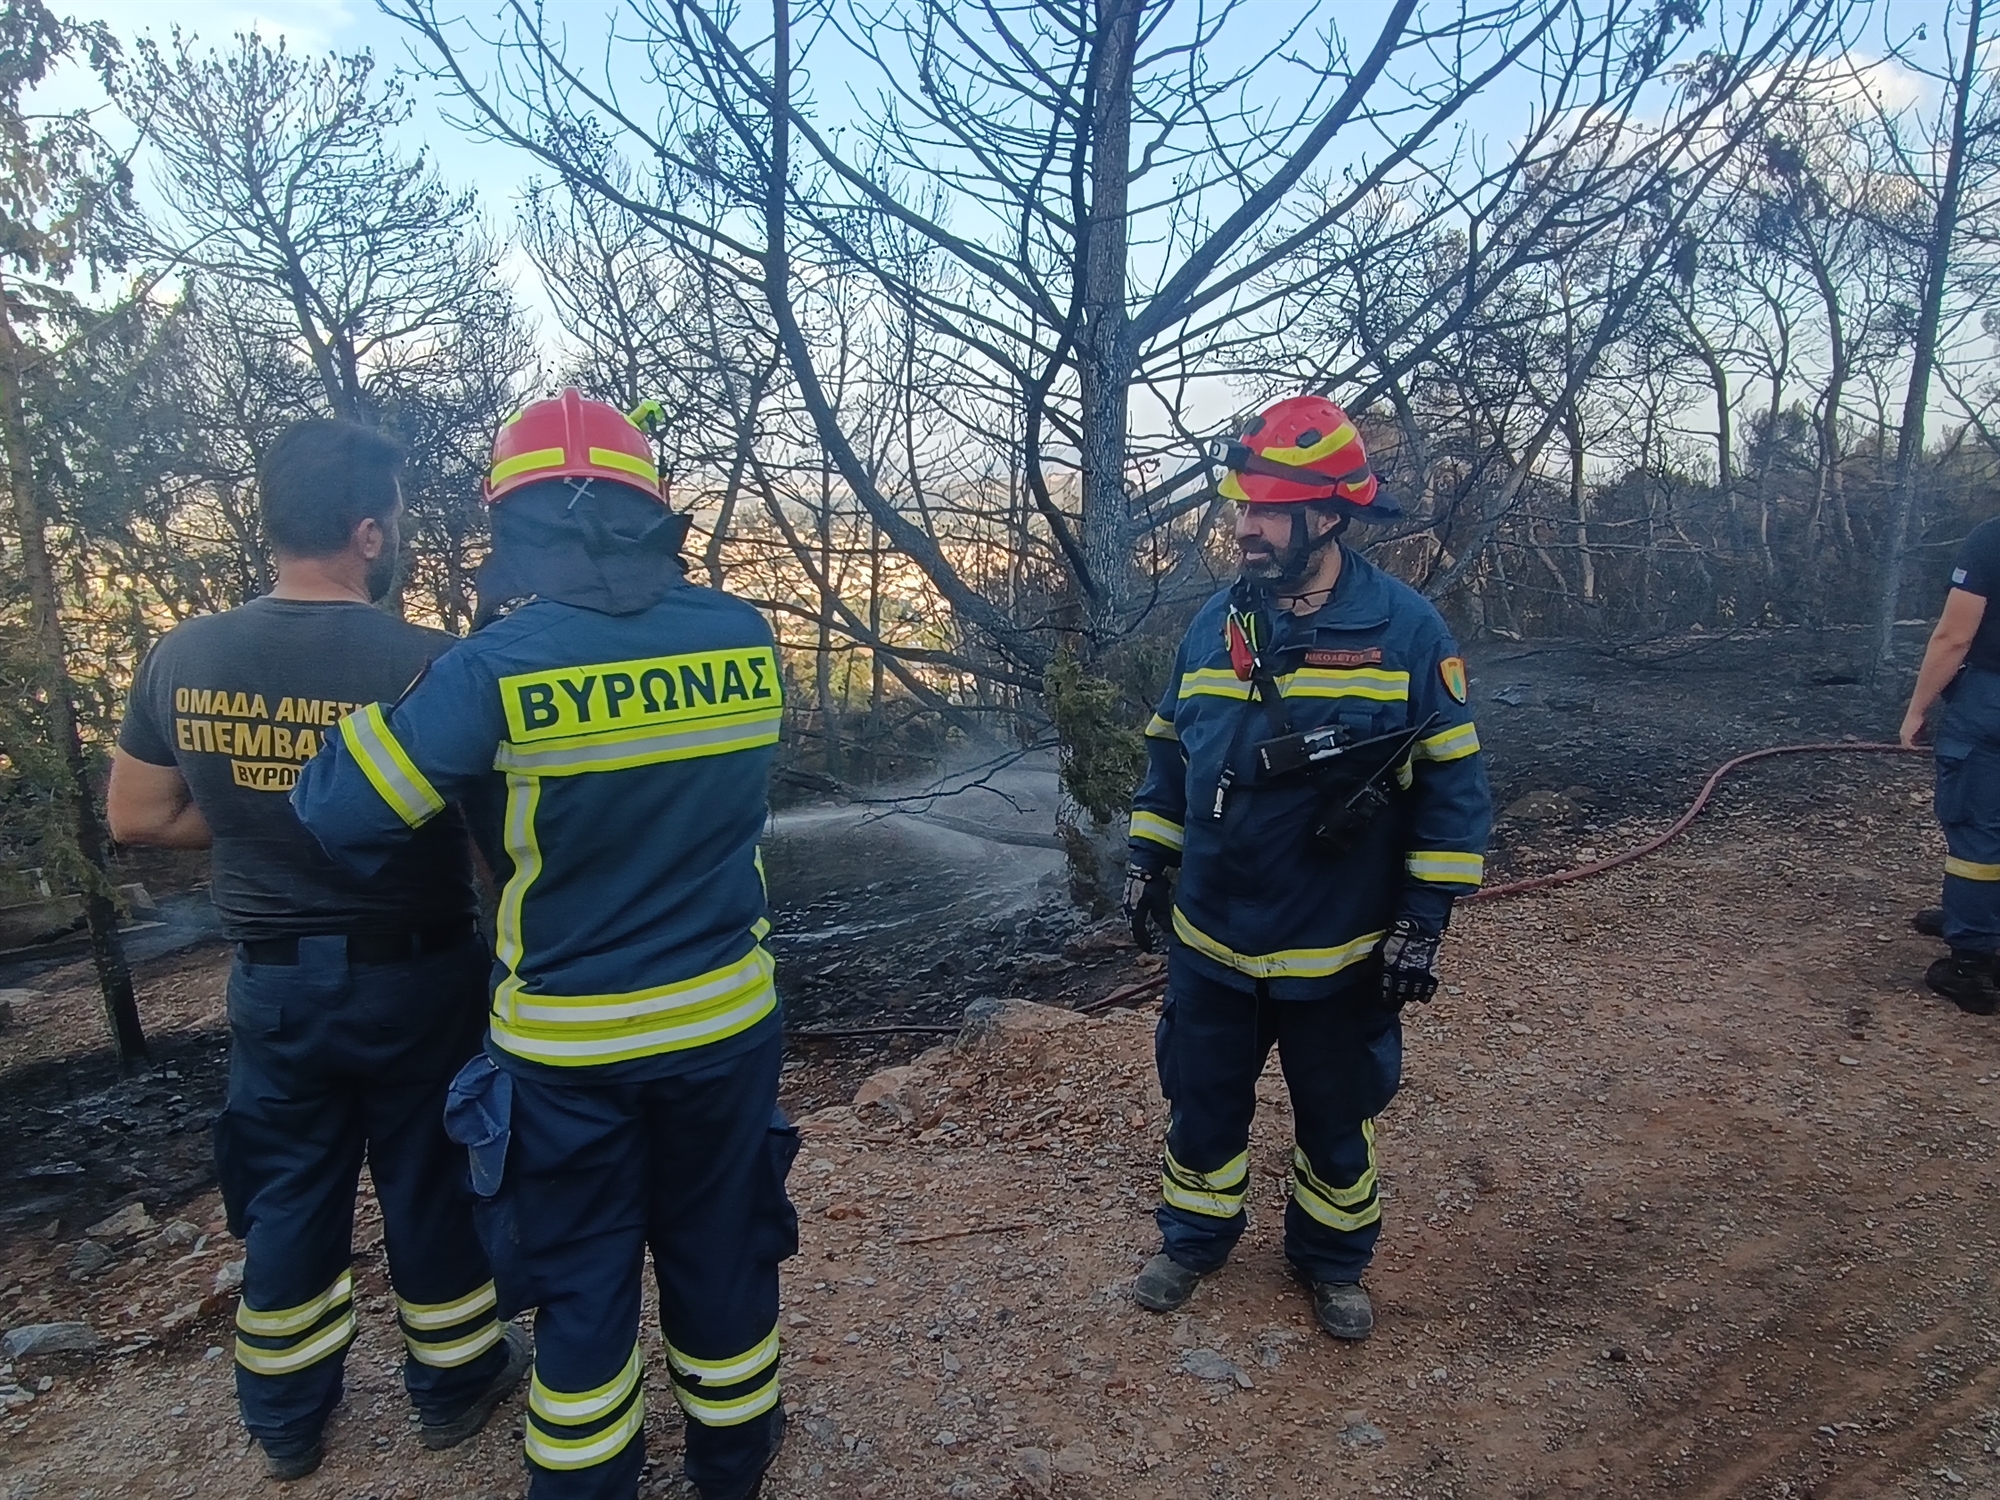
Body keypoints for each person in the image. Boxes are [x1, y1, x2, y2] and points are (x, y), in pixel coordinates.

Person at [290, 390, 796, 1500]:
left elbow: (339, 811)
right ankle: (733, 1465)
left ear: (510, 524)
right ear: (650, 509)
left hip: (569, 1053)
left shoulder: (493, 668)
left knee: (582, 1286)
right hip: (725, 1027)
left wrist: (409, 700)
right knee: (724, 1255)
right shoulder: (742, 634)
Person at [105, 419, 527, 1480]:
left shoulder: (184, 655)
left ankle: (287, 1419)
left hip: (276, 987)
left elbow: (138, 817)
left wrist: (255, 820)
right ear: (367, 532)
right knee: (431, 1179)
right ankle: (453, 1387)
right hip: (419, 975)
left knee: (290, 1190)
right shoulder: (433, 663)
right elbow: (496, 846)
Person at [1120, 394, 1491, 1341]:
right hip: (1212, 938)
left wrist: (1424, 920)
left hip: (1339, 948)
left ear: (1327, 515)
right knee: (1201, 1104)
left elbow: (1453, 783)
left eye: (1266, 509)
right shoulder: (1216, 624)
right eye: (1241, 506)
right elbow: (1169, 752)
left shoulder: (1406, 631)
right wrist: (1148, 858)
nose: (1243, 526)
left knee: (1337, 1114)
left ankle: (1331, 1261)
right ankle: (1194, 1240)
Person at [1899, 512, 2000, 1013]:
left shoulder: (1992, 539)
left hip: (1991, 700)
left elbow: (1954, 637)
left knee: (1977, 831)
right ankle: (1973, 915)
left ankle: (1971, 964)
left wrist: (1918, 709)